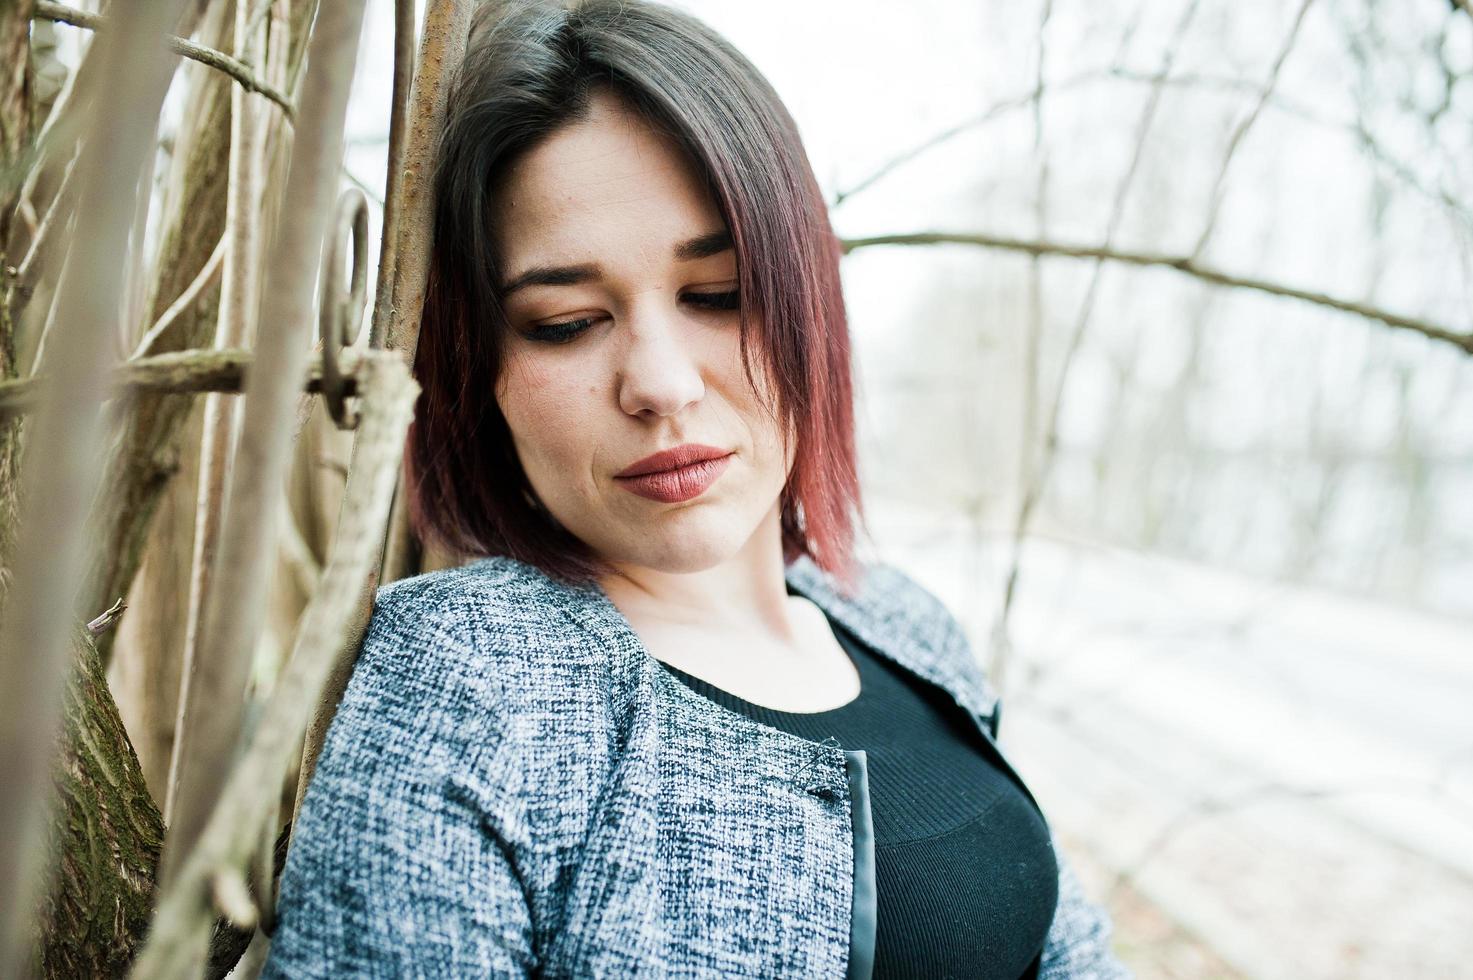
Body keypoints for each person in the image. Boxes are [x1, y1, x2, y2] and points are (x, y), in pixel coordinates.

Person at [263, 1, 1131, 977]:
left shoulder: (901, 623)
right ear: (485, 373)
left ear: (811, 301)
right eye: (566, 319)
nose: (662, 382)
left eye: (716, 294)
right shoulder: (474, 670)